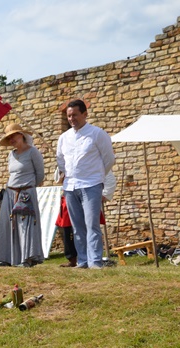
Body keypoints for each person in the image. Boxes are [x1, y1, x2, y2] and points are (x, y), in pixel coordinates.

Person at [56, 99, 115, 269]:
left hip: (91, 185)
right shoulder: (64, 138)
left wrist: (97, 176)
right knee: (77, 227)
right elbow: (60, 160)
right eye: (69, 116)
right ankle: (82, 261)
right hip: (70, 186)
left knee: (92, 225)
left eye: (75, 115)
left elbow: (109, 159)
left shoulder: (97, 134)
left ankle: (95, 261)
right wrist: (66, 174)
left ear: (85, 114)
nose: (71, 119)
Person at [0, 124, 45, 267]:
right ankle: (7, 258)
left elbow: (40, 174)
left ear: (21, 135)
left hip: (25, 193)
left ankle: (26, 259)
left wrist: (28, 188)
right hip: (10, 193)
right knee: (7, 225)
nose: (11, 140)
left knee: (25, 225)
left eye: (13, 136)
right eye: (9, 138)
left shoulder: (33, 152)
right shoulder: (11, 154)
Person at [55, 170, 117, 267]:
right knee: (72, 230)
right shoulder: (66, 161)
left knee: (91, 227)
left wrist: (104, 194)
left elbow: (109, 176)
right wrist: (61, 171)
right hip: (71, 195)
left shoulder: (94, 162)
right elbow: (58, 178)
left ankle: (94, 260)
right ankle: (76, 259)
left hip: (89, 196)